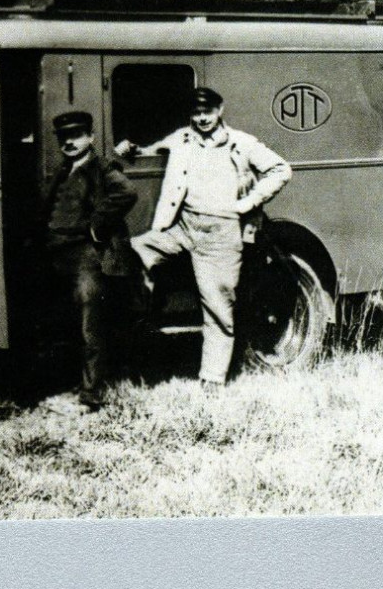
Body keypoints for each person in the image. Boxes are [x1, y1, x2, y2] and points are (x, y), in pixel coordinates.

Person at [117, 87, 292, 389]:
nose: (201, 119)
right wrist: (129, 149)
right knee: (133, 250)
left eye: (207, 112)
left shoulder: (241, 143)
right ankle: (144, 316)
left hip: (221, 235)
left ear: (219, 110)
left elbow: (281, 169)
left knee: (217, 305)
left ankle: (212, 379)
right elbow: (152, 151)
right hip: (182, 227)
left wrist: (246, 204)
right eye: (196, 113)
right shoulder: (182, 138)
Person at [41, 110, 139, 414]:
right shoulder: (64, 170)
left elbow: (127, 192)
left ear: (90, 137)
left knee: (90, 328)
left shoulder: (102, 167)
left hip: (88, 257)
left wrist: (97, 225)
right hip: (61, 255)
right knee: (70, 324)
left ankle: (91, 397)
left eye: (76, 135)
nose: (69, 142)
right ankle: (78, 386)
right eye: (63, 137)